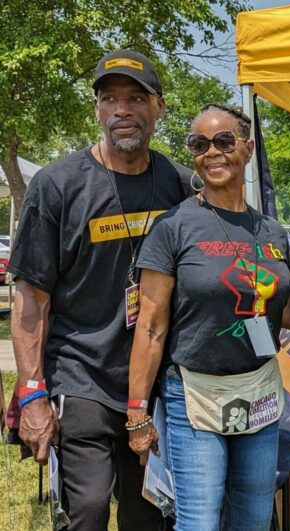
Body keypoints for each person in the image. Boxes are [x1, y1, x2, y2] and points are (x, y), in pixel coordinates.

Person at [9, 49, 191, 531]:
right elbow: (32, 297)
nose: (122, 110)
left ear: (160, 108)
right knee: (86, 511)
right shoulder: (57, 185)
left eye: (136, 98)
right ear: (97, 110)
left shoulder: (182, 185)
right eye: (109, 99)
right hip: (81, 372)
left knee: (149, 515)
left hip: (157, 380)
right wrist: (32, 393)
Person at [123, 103, 290, 530]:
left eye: (224, 141)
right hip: (194, 396)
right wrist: (137, 413)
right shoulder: (175, 227)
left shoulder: (272, 232)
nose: (213, 152)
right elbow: (150, 327)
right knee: (200, 522)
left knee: (254, 519)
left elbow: (288, 313)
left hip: (259, 389)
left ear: (247, 148)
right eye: (199, 144)